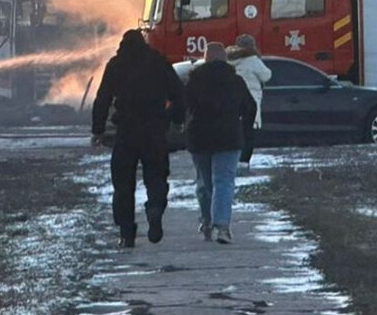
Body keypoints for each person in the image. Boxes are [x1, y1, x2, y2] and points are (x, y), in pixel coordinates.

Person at [92, 30, 186, 248]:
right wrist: (176, 118)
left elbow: (103, 97)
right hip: (155, 131)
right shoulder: (158, 62)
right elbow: (178, 93)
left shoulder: (116, 64)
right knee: (157, 177)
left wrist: (98, 129)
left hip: (126, 132)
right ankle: (154, 208)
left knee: (123, 185)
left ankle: (127, 233)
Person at [185, 42, 256, 244]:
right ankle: (222, 227)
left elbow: (185, 106)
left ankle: (207, 221)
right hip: (228, 137)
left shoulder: (194, 80)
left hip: (199, 138)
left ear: (205, 58)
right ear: (225, 59)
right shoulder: (236, 81)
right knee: (224, 181)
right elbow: (250, 107)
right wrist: (242, 126)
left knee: (204, 183)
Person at [227, 34, 271, 166]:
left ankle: (234, 160)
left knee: (234, 132)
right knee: (248, 133)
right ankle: (244, 162)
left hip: (231, 101)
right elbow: (266, 75)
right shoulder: (252, 60)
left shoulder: (228, 59)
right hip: (249, 100)